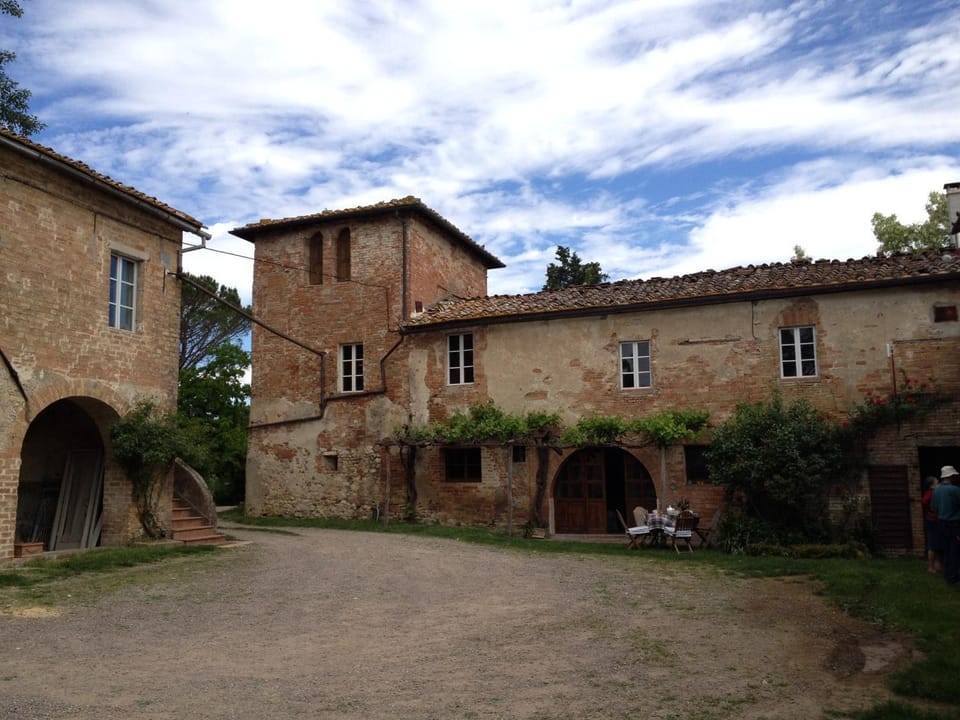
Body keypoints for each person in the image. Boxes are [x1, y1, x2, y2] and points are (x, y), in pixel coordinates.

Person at [931, 466, 960, 585]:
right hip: (954, 523)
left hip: (941, 522)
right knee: (955, 550)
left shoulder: (936, 490)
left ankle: (947, 574)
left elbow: (933, 507)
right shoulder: (955, 490)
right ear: (950, 476)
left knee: (946, 550)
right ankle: (953, 577)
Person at [921, 476, 942, 574]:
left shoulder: (934, 493)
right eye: (937, 483)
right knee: (932, 545)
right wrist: (931, 510)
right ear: (932, 485)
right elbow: (924, 501)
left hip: (935, 521)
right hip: (932, 521)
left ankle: (937, 565)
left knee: (937, 543)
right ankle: (930, 567)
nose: (939, 484)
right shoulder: (930, 493)